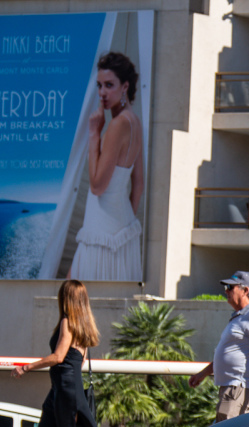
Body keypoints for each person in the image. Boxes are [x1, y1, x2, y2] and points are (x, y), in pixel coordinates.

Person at [12, 279, 107, 427]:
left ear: (66, 299)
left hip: (65, 387)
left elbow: (58, 357)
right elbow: (80, 361)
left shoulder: (67, 322)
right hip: (63, 387)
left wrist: (26, 367)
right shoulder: (83, 325)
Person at [70, 52, 144, 281]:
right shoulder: (134, 122)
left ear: (125, 86)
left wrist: (94, 134)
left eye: (109, 85)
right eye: (99, 85)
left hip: (102, 232)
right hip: (120, 231)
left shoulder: (117, 125)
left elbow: (97, 186)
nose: (102, 92)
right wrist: (124, 224)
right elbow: (138, 183)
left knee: (74, 300)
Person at [189, 271, 249, 420]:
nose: (226, 291)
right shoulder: (239, 317)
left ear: (245, 290)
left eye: (230, 287)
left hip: (238, 387)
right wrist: (203, 374)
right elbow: (231, 353)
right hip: (232, 387)